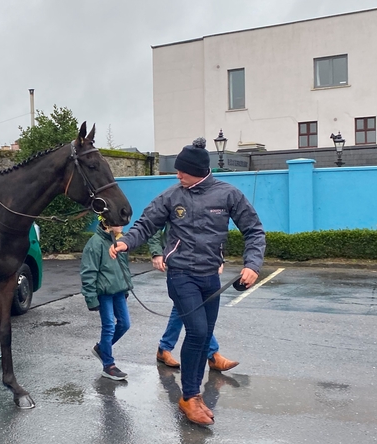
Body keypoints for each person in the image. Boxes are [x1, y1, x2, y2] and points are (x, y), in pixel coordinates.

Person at [109, 137, 265, 426]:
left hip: (211, 276)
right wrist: (126, 242)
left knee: (205, 335)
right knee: (196, 332)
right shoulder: (172, 196)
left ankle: (195, 397)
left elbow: (254, 231)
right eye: (177, 171)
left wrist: (252, 264)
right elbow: (146, 224)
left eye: (183, 171)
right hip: (181, 275)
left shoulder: (228, 194)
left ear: (201, 171)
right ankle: (189, 396)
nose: (178, 175)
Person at [148, 225, 239, 372]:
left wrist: (218, 258)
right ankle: (212, 354)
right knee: (189, 310)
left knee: (183, 309)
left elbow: (214, 232)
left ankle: (164, 348)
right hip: (179, 264)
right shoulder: (171, 201)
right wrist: (157, 253)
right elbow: (153, 226)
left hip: (203, 265)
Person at [81, 220, 133, 381]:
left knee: (125, 324)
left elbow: (123, 268)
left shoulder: (119, 241)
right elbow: (88, 272)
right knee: (109, 326)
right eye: (119, 222)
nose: (122, 225)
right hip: (104, 293)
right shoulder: (95, 243)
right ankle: (108, 365)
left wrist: (126, 287)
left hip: (118, 291)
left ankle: (102, 348)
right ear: (107, 223)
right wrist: (91, 298)